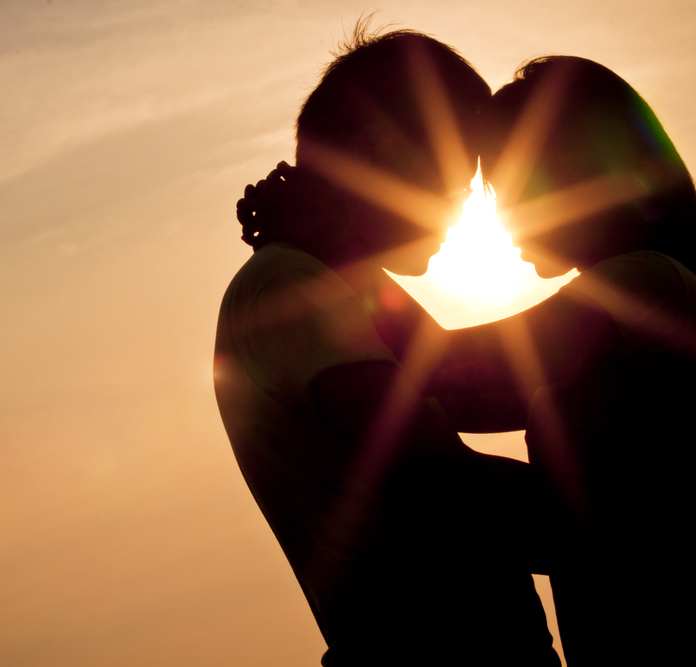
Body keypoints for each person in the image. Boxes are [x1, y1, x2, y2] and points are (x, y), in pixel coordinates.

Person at [357, 56, 696, 665]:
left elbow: (453, 377)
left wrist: (344, 258)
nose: (500, 217)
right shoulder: (639, 287)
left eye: (512, 187)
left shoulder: (645, 287)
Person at [214, 28, 561, 666]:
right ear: (385, 150)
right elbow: (443, 481)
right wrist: (642, 529)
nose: (461, 216)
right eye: (456, 186)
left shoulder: (345, 289)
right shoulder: (293, 290)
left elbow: (476, 381)